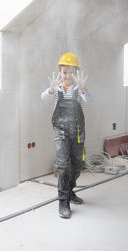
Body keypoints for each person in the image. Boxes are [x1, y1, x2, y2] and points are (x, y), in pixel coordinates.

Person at [41, 52, 93, 218]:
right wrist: (50, 89)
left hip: (77, 132)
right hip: (61, 131)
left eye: (71, 72)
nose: (68, 76)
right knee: (63, 166)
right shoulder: (56, 89)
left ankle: (70, 191)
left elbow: (89, 100)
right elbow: (43, 98)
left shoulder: (79, 89)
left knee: (77, 165)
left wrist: (84, 89)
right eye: (64, 72)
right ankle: (63, 202)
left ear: (76, 73)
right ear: (60, 72)